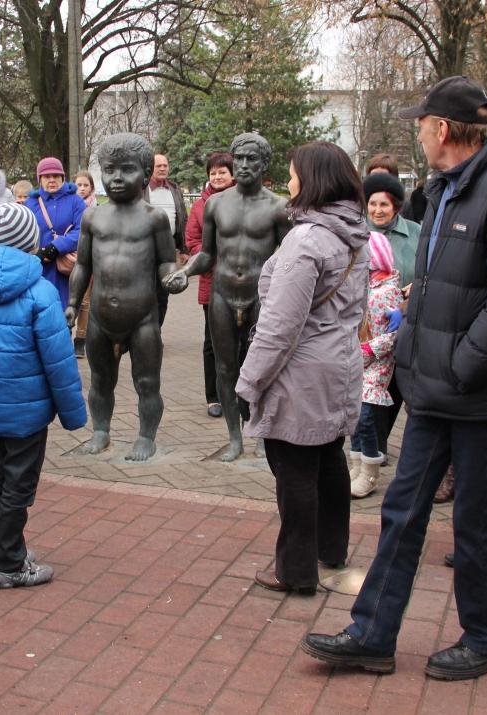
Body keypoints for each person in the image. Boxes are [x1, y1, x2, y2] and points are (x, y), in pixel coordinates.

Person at [303, 76, 487, 681]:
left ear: (442, 129)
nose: (417, 131)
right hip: (432, 388)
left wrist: (463, 365)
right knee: (402, 511)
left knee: (473, 521)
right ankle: (372, 634)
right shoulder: (445, 190)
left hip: (475, 391)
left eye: (422, 122)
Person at [227, 141, 369, 594]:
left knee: (294, 471)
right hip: (340, 366)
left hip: (300, 373)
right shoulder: (355, 232)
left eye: (292, 174)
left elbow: (278, 327)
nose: (288, 183)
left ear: (312, 180)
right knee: (328, 458)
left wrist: (248, 382)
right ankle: (330, 550)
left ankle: (295, 569)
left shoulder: (306, 239)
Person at [0, 203, 86, 588]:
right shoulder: (41, 292)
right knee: (18, 485)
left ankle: (1, 552)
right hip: (29, 413)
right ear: (29, 241)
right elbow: (59, 361)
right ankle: (11, 564)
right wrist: (74, 415)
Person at [166, 133, 291, 461]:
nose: (245, 165)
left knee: (264, 367)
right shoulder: (216, 204)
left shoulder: (279, 207)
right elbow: (206, 254)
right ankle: (234, 437)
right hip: (222, 293)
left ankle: (263, 432)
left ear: (264, 163)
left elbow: (290, 259)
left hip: (260, 296)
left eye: (252, 159)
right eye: (240, 159)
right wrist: (185, 272)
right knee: (225, 368)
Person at [66, 133, 182, 462]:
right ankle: (101, 431)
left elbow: (165, 261)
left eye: (127, 170)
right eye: (110, 169)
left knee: (147, 381)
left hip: (142, 317)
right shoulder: (93, 217)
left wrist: (171, 278)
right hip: (102, 317)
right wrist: (74, 303)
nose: (117, 178)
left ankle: (146, 437)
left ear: (146, 173)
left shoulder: (154, 218)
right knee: (100, 380)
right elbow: (83, 265)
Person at [362, 171, 422, 468]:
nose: (377, 211)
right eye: (372, 204)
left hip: (405, 323)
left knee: (400, 389)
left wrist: (411, 295)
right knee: (369, 393)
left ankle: (387, 446)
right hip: (369, 330)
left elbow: (427, 272)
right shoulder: (357, 231)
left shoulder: (415, 233)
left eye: (384, 205)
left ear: (396, 205)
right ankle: (373, 447)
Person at [348, 231, 403, 498]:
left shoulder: (388, 290)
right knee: (356, 416)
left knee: (367, 417)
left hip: (377, 363)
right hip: (358, 359)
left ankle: (370, 471)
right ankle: (357, 466)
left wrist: (371, 348)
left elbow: (392, 334)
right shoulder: (363, 284)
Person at [184, 152, 235, 419]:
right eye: (213, 173)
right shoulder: (200, 206)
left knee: (242, 342)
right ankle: (213, 396)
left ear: (233, 174)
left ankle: (238, 394)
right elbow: (192, 240)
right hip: (212, 282)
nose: (217, 177)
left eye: (222, 172)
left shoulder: (244, 201)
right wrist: (211, 256)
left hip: (243, 283)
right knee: (212, 342)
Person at [25, 157, 86, 309]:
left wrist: (56, 246)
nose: (51, 180)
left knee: (63, 311)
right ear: (40, 179)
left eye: (56, 176)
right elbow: (24, 231)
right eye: (46, 176)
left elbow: (83, 230)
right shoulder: (31, 203)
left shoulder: (76, 201)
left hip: (64, 269)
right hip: (37, 268)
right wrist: (35, 252)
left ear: (62, 178)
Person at [144, 153, 188, 326]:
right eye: (158, 166)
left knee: (163, 293)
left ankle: (156, 331)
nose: (162, 168)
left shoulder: (174, 189)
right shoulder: (142, 189)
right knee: (146, 293)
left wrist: (183, 249)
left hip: (167, 249)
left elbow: (182, 219)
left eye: (165, 165)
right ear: (150, 168)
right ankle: (144, 331)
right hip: (144, 248)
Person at [72, 170, 97, 358]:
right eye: (78, 185)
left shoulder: (96, 209)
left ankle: (80, 339)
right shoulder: (70, 205)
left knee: (86, 302)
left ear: (92, 187)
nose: (81, 189)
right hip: (69, 257)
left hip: (88, 259)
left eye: (85, 185)